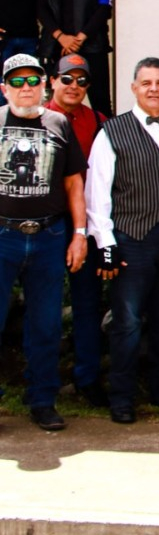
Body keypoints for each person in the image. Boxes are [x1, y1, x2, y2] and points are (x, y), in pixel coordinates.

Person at [86, 57, 159, 424]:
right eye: (146, 82)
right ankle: (122, 397)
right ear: (134, 88)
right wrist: (106, 245)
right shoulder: (111, 132)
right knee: (128, 322)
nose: (153, 89)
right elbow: (97, 193)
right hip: (132, 238)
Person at [0, 53, 88, 431]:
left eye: (32, 81)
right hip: (3, 235)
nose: (26, 88)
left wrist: (79, 234)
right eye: (17, 82)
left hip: (50, 235)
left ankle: (42, 400)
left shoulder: (59, 123)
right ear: (4, 88)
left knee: (46, 324)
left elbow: (74, 184)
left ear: (43, 85)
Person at [44, 53, 108, 407]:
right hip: (49, 219)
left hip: (88, 219)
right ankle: (43, 380)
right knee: (45, 302)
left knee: (87, 301)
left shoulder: (99, 122)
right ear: (53, 80)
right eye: (67, 78)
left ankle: (87, 377)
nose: (74, 86)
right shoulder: (37, 117)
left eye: (82, 81)